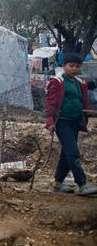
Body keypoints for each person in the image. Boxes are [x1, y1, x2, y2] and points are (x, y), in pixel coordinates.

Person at [45, 53, 97, 196]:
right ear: (64, 66)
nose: (74, 69)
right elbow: (51, 103)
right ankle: (82, 184)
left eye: (77, 66)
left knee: (66, 152)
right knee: (73, 153)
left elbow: (83, 101)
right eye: (71, 66)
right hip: (62, 122)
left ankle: (57, 183)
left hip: (75, 122)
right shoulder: (57, 81)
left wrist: (89, 114)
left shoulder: (80, 82)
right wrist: (49, 120)